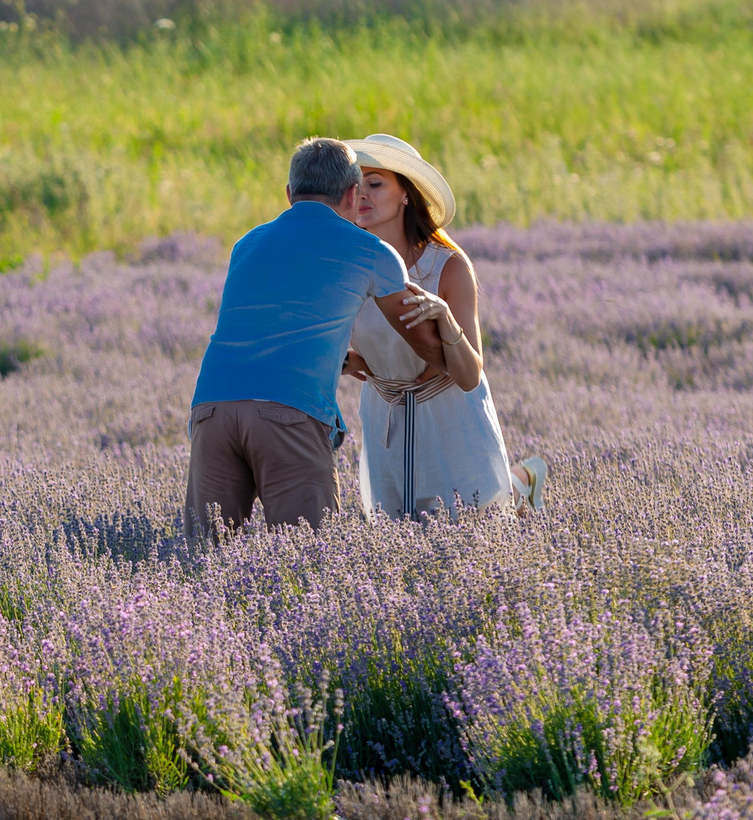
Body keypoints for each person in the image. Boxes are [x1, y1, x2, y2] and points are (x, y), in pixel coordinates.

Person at [185, 137, 435, 541]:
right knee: (306, 560)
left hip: (211, 407)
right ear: (353, 194)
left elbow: (272, 324)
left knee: (204, 557)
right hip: (290, 411)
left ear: (289, 195)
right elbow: (422, 343)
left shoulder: (246, 243)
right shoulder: (372, 250)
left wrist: (339, 358)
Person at [340, 134, 548, 519]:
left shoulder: (447, 266)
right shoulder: (349, 265)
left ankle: (520, 483)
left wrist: (444, 317)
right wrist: (349, 362)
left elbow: (470, 372)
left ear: (406, 194)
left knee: (473, 522)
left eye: (376, 183)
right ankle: (518, 483)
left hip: (448, 409)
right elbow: (374, 349)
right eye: (357, 184)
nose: (363, 194)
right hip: (384, 411)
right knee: (398, 533)